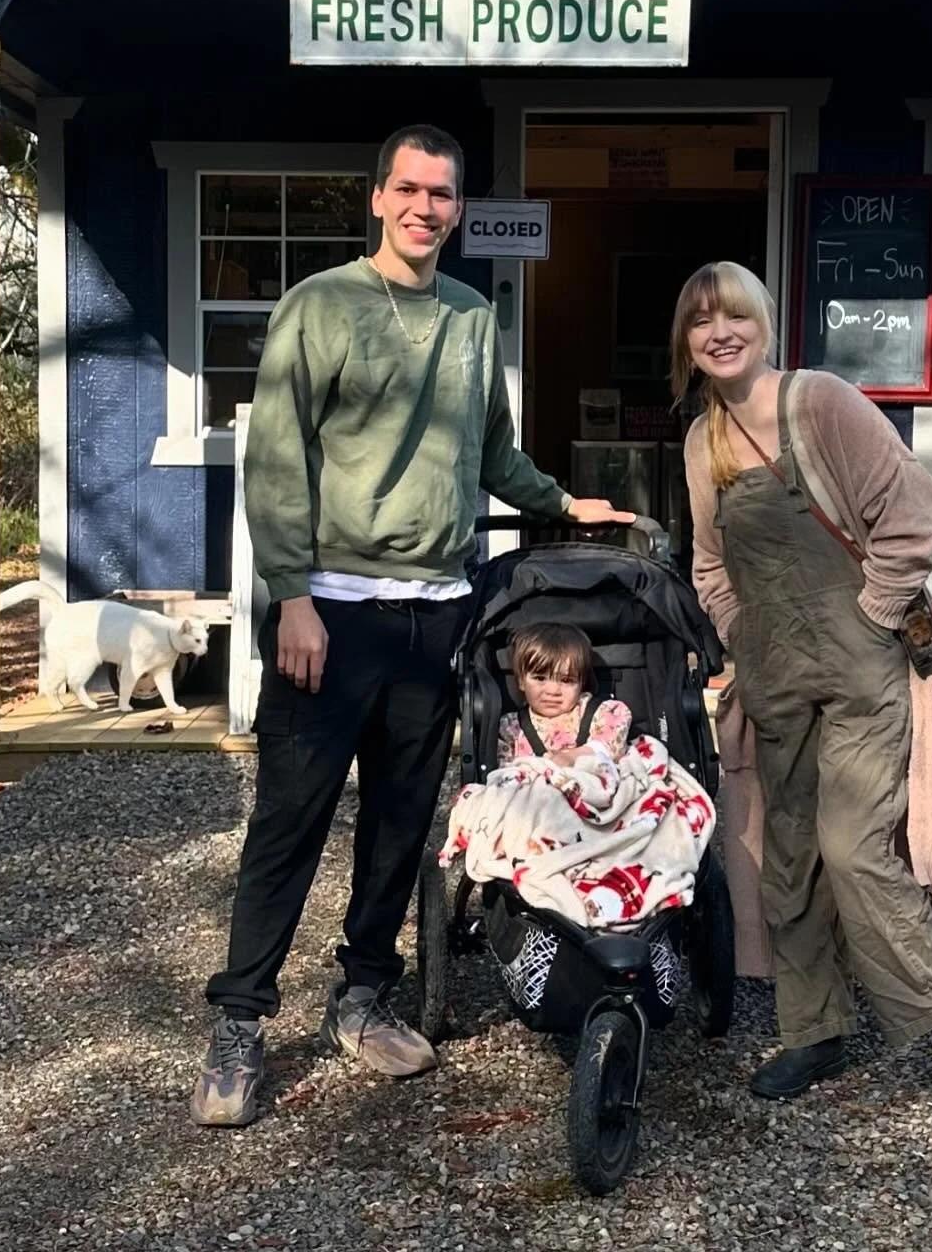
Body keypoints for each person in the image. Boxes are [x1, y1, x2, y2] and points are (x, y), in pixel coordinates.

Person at [190, 124, 632, 1127]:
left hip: (439, 617)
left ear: (459, 209)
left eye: (443, 193)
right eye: (409, 189)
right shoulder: (323, 305)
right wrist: (293, 597)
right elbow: (276, 460)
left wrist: (570, 502)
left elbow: (494, 454)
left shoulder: (475, 319)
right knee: (290, 825)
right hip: (332, 617)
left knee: (398, 825)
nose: (425, 207)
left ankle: (363, 996)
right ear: (378, 198)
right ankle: (240, 1028)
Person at [672, 260, 932, 1117]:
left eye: (734, 315)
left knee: (854, 848)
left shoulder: (820, 403)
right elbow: (709, 562)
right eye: (701, 322)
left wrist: (874, 608)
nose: (719, 332)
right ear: (688, 342)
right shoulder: (704, 442)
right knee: (792, 860)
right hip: (777, 678)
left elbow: (914, 513)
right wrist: (742, 632)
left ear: (765, 323)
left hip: (860, 672)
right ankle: (814, 1030)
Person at [496, 623, 632, 770]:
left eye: (566, 680)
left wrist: (574, 756)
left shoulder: (595, 712)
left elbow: (612, 738)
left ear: (581, 684)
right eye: (540, 678)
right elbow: (504, 773)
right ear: (521, 681)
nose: (553, 691)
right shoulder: (510, 728)